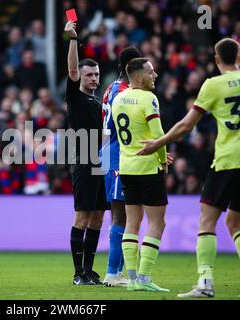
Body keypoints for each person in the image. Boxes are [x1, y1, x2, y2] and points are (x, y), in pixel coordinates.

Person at [138, 38, 240, 298]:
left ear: (216, 58)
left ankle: (205, 283)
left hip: (228, 161)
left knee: (207, 220)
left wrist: (159, 142)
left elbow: (186, 126)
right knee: (236, 222)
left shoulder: (213, 85)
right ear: (239, 56)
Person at [112, 57, 169, 292]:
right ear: (137, 77)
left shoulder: (118, 98)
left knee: (132, 224)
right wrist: (163, 161)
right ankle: (144, 279)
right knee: (157, 223)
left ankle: (132, 279)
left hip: (126, 167)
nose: (155, 76)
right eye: (151, 72)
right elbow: (158, 135)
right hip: (147, 167)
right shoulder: (149, 98)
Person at [64, 20, 109, 285]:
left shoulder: (98, 100)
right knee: (82, 216)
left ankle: (89, 270)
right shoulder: (76, 97)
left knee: (98, 216)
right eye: (89, 74)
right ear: (81, 77)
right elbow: (71, 69)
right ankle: (78, 272)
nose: (94, 78)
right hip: (84, 160)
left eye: (96, 74)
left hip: (101, 161)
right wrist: (73, 40)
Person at [101, 46, 143, 287]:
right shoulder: (124, 92)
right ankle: (112, 273)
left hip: (110, 153)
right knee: (120, 214)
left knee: (123, 215)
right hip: (117, 155)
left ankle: (115, 271)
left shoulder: (110, 88)